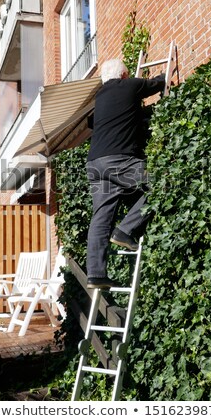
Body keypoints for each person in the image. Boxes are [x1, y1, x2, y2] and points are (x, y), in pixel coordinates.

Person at [86, 58, 166, 289]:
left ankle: (96, 275)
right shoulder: (129, 85)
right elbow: (157, 84)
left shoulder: (99, 98)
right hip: (119, 160)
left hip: (95, 164)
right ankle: (125, 230)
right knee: (160, 185)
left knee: (100, 217)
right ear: (123, 76)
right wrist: (161, 77)